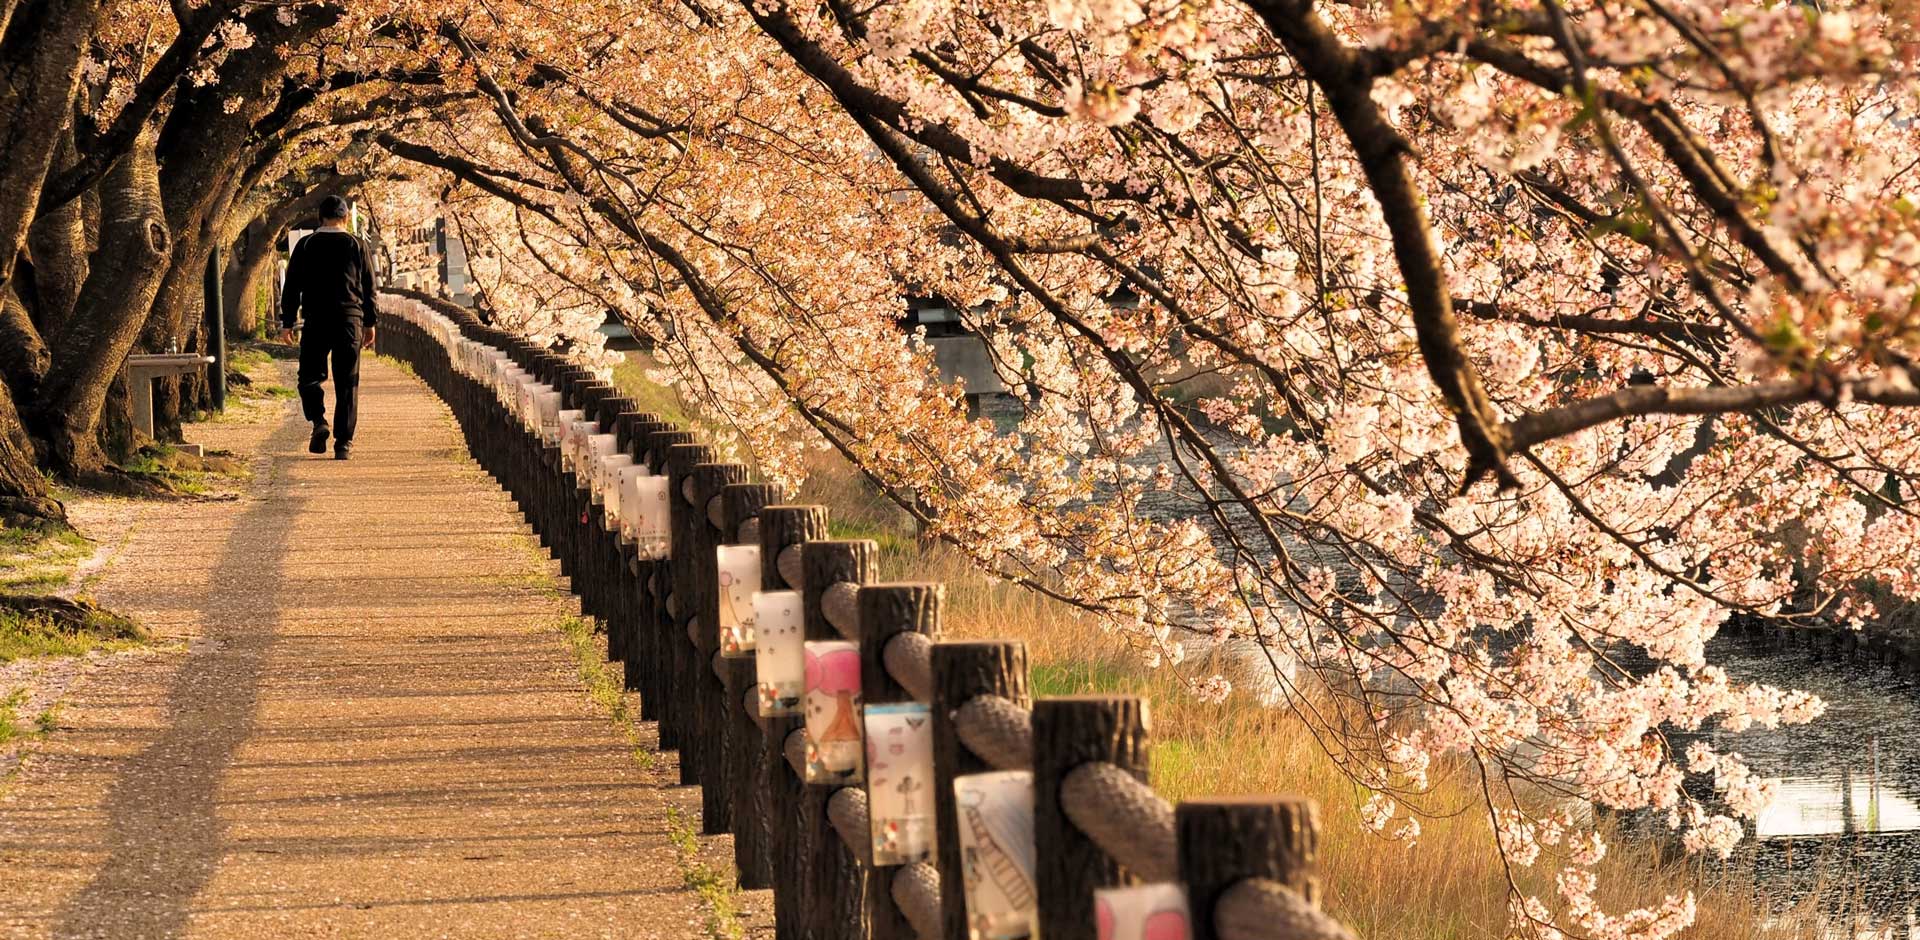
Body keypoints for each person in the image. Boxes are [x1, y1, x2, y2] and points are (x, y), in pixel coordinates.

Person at [279, 195, 377, 459]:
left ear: (320, 218)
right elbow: (369, 286)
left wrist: (287, 322)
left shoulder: (306, 244)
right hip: (349, 320)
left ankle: (319, 421)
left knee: (309, 377)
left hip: (316, 320)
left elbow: (292, 287)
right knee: (348, 382)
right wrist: (370, 322)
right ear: (345, 218)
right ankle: (343, 443)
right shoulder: (356, 244)